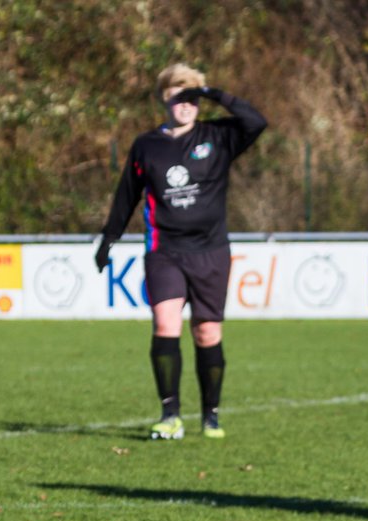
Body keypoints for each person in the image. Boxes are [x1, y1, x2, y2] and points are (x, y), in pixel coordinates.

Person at [96, 63, 267, 439]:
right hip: (165, 250)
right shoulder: (147, 145)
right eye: (177, 95)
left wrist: (214, 94)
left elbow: (256, 122)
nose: (184, 104)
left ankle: (211, 415)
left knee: (207, 333)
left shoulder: (219, 136)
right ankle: (169, 414)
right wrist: (109, 238)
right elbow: (127, 194)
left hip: (211, 251)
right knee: (165, 323)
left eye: (191, 96)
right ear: (164, 98)